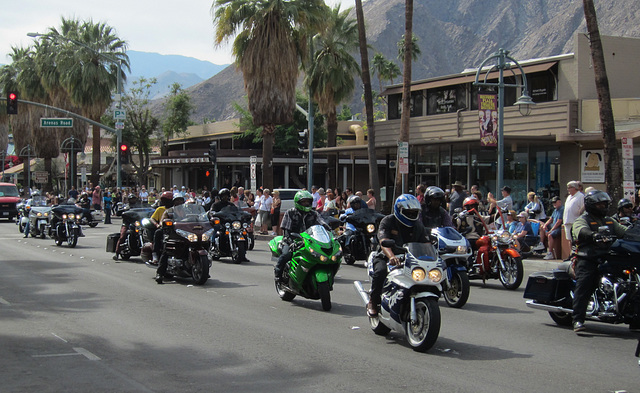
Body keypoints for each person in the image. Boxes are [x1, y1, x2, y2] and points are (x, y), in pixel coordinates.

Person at [571, 190, 628, 332]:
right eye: (600, 205)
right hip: (587, 258)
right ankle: (578, 319)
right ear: (591, 205)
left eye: (604, 204)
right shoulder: (583, 220)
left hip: (608, 257)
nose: (603, 207)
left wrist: (634, 232)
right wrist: (592, 235)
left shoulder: (609, 221)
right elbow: (579, 230)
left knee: (628, 280)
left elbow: (624, 231)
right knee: (585, 285)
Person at [367, 194, 430, 317]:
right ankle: (373, 302)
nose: (412, 215)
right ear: (399, 210)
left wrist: (432, 255)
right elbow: (383, 241)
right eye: (409, 212)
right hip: (387, 257)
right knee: (380, 272)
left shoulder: (418, 225)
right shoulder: (388, 221)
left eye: (414, 212)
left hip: (412, 259)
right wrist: (391, 256)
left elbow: (426, 243)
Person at [274, 190, 329, 281]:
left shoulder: (313, 214)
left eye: (308, 201)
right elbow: (286, 230)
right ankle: (278, 273)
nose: (306, 203)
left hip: (310, 240)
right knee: (286, 254)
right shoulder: (290, 213)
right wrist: (290, 240)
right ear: (297, 202)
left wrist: (330, 232)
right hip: (293, 240)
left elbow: (322, 223)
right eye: (303, 201)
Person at [155, 195, 186, 283]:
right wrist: (166, 223)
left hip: (185, 233)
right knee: (167, 250)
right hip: (172, 234)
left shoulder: (187, 211)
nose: (179, 202)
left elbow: (195, 218)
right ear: (174, 202)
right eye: (177, 200)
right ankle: (160, 273)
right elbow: (162, 222)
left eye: (181, 200)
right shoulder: (169, 211)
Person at [148, 191, 174, 265]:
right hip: (165, 229)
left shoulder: (176, 209)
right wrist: (157, 224)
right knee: (158, 232)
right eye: (165, 200)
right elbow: (152, 218)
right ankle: (155, 254)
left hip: (176, 229)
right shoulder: (160, 209)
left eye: (168, 200)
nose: (166, 202)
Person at [562, 181, 585, 260]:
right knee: (569, 240)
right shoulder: (569, 197)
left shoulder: (580, 196)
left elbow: (583, 209)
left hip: (575, 222)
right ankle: (571, 255)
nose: (568, 189)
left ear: (574, 188)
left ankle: (577, 255)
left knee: (576, 240)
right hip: (567, 221)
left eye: (569, 187)